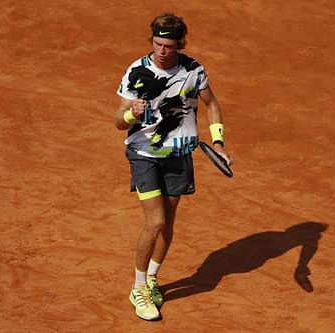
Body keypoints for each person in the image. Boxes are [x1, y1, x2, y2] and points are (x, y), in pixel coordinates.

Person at [114, 13, 231, 321]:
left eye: (168, 45)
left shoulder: (194, 71)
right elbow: (117, 121)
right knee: (155, 221)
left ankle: (152, 279)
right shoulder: (137, 72)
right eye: (157, 44)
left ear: (180, 44)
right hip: (143, 154)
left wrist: (217, 142)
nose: (162, 51)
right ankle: (138, 287)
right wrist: (130, 115)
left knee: (168, 224)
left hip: (179, 155)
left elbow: (212, 104)